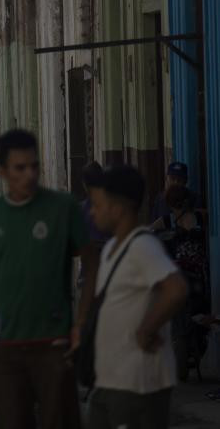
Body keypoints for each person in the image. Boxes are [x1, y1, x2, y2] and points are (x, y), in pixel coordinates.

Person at [0, 129, 97, 429]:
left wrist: (82, 323)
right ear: (2, 171)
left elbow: (91, 261)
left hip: (54, 345)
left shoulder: (63, 207)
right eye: (20, 168)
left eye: (34, 165)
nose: (30, 174)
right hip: (7, 346)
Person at [83, 164, 187, 429]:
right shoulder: (110, 250)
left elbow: (176, 289)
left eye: (97, 205)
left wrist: (147, 328)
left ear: (117, 209)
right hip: (110, 380)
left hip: (138, 384)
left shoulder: (143, 245)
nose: (92, 211)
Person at [151, 177, 210, 380]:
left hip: (181, 275)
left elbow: (149, 232)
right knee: (202, 310)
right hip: (198, 276)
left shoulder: (168, 220)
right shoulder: (199, 217)